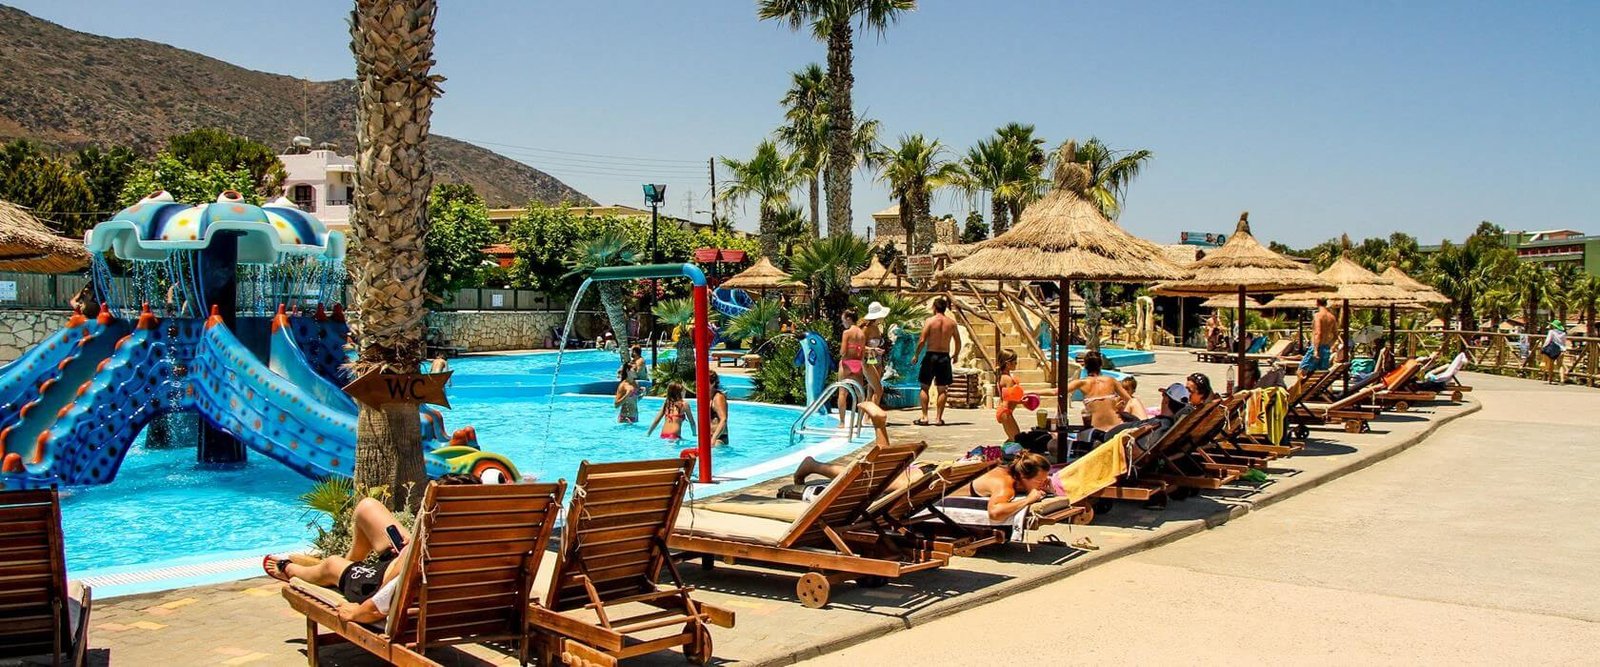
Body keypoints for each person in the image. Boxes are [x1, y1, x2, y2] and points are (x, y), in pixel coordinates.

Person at [262, 473, 479, 624]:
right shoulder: (485, 539)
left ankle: (292, 569)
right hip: (405, 560)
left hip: (379, 582)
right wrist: (411, 546)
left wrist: (358, 612)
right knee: (368, 507)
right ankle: (347, 570)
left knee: (331, 564)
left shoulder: (421, 557)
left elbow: (381, 603)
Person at [964, 452, 1052, 522]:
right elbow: (995, 513)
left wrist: (1049, 490)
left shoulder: (1017, 477)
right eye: (1039, 480)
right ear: (1023, 476)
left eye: (1045, 479)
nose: (1043, 483)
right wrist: (1028, 499)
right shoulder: (1004, 483)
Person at [914, 297, 960, 426]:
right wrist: (956, 354)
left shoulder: (930, 321)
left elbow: (922, 340)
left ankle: (924, 417)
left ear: (934, 307)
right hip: (944, 356)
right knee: (942, 389)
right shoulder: (951, 323)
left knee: (924, 387)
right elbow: (958, 341)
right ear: (945, 308)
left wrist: (916, 355)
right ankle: (938, 419)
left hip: (931, 355)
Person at [1065, 351, 1133, 434]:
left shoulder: (1081, 383)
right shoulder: (1111, 380)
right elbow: (1130, 400)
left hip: (1096, 431)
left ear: (1085, 366)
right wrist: (1122, 410)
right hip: (1116, 428)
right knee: (1135, 402)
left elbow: (1056, 392)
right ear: (1101, 365)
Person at [837, 308, 867, 426]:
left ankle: (842, 422)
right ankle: (859, 422)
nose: (843, 323)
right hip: (857, 363)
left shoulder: (847, 333)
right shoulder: (861, 333)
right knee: (860, 394)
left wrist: (842, 352)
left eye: (843, 320)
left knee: (842, 392)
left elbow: (843, 351)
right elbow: (862, 352)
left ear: (849, 319)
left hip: (846, 363)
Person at [1299, 299, 1337, 379]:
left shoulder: (1318, 316)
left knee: (1301, 371)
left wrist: (1315, 350)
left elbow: (1318, 333)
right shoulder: (1332, 317)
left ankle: (1302, 387)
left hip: (1316, 347)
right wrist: (1331, 346)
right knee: (1321, 373)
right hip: (1326, 348)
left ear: (1317, 303)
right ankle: (1316, 387)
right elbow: (1335, 335)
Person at [862, 301, 890, 405]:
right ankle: (873, 412)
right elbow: (860, 346)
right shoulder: (866, 329)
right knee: (878, 390)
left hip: (876, 359)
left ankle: (868, 413)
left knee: (872, 390)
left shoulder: (877, 327)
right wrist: (873, 349)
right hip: (869, 359)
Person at [994, 349, 1023, 441]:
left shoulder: (1002, 376)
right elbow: (1009, 398)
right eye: (1015, 362)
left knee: (1012, 438)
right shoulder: (1007, 379)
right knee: (1017, 439)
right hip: (1006, 412)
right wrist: (1023, 401)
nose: (1016, 364)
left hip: (1004, 411)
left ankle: (1003, 449)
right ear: (1007, 364)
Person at [1540, 320, 1568, 384]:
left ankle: (1550, 379)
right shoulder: (1563, 333)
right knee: (1560, 365)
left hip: (1553, 349)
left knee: (1551, 364)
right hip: (1561, 350)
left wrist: (1544, 347)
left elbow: (1548, 340)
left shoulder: (1551, 332)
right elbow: (1564, 343)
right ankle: (1562, 379)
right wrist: (1564, 350)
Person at [707, 371, 730, 445]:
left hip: (719, 438)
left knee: (715, 449)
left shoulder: (718, 397)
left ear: (713, 383)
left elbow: (723, 419)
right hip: (708, 437)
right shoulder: (706, 397)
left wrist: (713, 439)